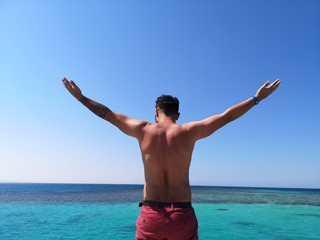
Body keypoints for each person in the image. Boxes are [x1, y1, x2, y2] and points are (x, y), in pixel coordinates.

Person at [62, 77, 281, 240]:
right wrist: (256, 98)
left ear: (156, 112)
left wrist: (81, 98)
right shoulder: (189, 131)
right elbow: (226, 116)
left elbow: (108, 115)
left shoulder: (143, 130)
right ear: (177, 114)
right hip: (182, 215)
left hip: (151, 215)